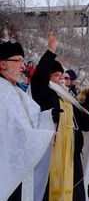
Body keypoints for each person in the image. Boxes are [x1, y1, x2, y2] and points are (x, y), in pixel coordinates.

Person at [31, 31, 89, 201]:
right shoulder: (43, 93)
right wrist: (50, 52)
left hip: (70, 152)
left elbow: (81, 120)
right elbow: (37, 79)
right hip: (51, 153)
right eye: (55, 75)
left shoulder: (65, 95)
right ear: (47, 77)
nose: (59, 79)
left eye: (60, 75)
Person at [0, 41, 54, 201]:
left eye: (23, 61)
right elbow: (10, 130)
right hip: (7, 165)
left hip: (19, 165)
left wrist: (49, 117)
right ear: (2, 64)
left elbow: (31, 120)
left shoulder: (15, 89)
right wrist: (46, 135)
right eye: (18, 61)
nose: (23, 66)